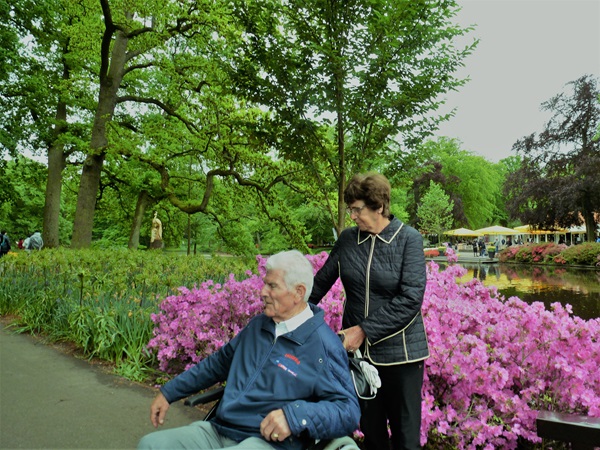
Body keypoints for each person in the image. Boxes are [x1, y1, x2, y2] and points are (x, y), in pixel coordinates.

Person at [138, 250, 360, 450]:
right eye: (265, 284)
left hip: (267, 442)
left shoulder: (323, 345)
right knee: (151, 444)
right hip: (219, 430)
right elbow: (217, 364)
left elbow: (347, 411)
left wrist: (295, 416)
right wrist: (169, 392)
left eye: (272, 286)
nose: (262, 292)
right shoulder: (258, 326)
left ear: (298, 292)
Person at [308, 173, 428, 450]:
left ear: (379, 207)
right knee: (372, 435)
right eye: (350, 208)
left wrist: (363, 330)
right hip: (360, 359)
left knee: (406, 440)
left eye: (357, 209)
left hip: (403, 358)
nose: (352, 216)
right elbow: (320, 283)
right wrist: (289, 311)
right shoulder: (349, 240)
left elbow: (411, 299)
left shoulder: (408, 239)